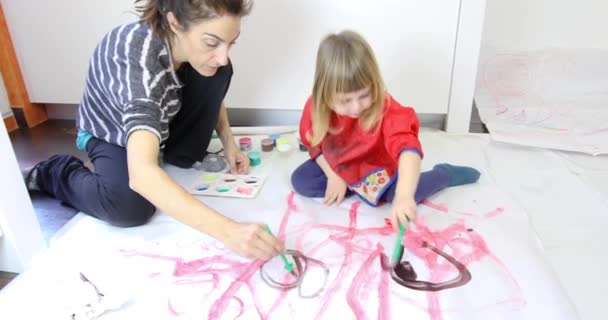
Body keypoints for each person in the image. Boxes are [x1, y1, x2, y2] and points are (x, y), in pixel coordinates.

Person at [22, 0, 283, 260]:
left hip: (163, 118)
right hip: (112, 133)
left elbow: (213, 92)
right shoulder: (140, 69)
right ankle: (53, 172)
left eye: (230, 43)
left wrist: (229, 142)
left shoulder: (195, 54)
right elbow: (142, 175)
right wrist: (230, 231)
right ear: (175, 23)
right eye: (212, 42)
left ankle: (164, 148)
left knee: (217, 71)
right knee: (129, 208)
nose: (223, 55)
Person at [291, 30, 481, 230]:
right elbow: (315, 146)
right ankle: (353, 185)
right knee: (301, 180)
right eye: (345, 101)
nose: (356, 108)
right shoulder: (316, 108)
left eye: (364, 95)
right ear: (324, 93)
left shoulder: (387, 109)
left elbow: (408, 149)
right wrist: (333, 176)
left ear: (374, 84)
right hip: (340, 164)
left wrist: (403, 196)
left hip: (377, 167)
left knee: (398, 194)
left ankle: (444, 175)